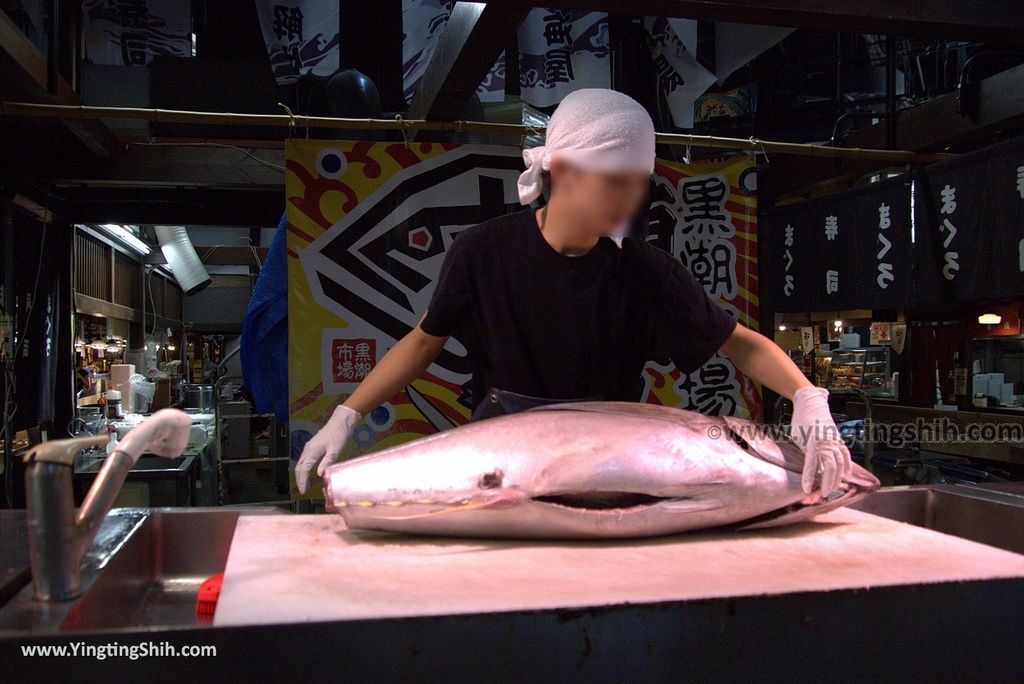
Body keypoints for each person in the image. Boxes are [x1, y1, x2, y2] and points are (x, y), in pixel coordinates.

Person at [296, 89, 849, 498]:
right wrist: (347, 415)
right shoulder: (482, 252)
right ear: (560, 168)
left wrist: (807, 398)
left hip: (612, 469)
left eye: (639, 182)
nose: (629, 198)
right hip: (501, 466)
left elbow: (739, 343)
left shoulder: (645, 271)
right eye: (613, 179)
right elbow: (423, 342)